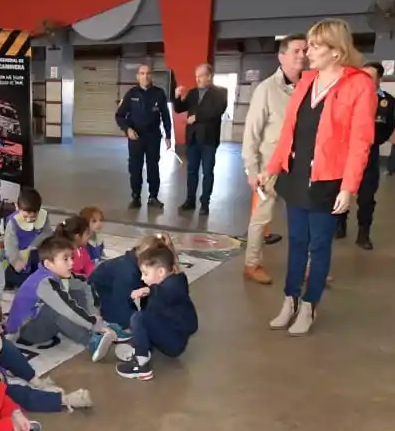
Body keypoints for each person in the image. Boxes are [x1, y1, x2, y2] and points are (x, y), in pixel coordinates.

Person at [260, 19, 377, 336]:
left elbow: (360, 141)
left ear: (336, 51)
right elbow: (289, 132)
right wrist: (271, 167)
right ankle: (290, 300)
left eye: (314, 46)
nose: (306, 51)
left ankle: (310, 304)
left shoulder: (359, 84)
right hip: (295, 175)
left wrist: (349, 187)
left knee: (319, 245)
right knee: (296, 241)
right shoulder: (306, 81)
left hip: (329, 180)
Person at [241, 34, 307, 285]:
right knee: (261, 217)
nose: (302, 55)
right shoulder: (266, 89)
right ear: (281, 56)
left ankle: (307, 265)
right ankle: (251, 264)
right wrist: (252, 169)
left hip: (301, 167)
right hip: (270, 168)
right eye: (296, 51)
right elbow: (252, 133)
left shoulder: (311, 87)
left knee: (303, 218)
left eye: (305, 50)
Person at [0, 299, 92, 412]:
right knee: (15, 394)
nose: (3, 325)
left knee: (9, 350)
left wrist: (31, 378)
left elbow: (9, 354)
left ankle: (34, 379)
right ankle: (63, 400)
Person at [7, 236, 117, 360]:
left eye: (72, 258)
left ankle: (95, 327)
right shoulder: (44, 282)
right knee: (58, 309)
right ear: (48, 264)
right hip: (27, 331)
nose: (71, 263)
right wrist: (93, 324)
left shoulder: (57, 274)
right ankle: (91, 341)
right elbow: (66, 309)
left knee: (77, 291)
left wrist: (95, 315)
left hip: (39, 321)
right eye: (65, 259)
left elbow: (85, 287)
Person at [115, 241, 199, 381]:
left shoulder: (175, 284)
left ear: (161, 272)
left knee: (138, 318)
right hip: (169, 336)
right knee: (142, 319)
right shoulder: (159, 288)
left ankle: (142, 366)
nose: (142, 277)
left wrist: (149, 290)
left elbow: (168, 292)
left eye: (145, 273)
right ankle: (142, 351)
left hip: (175, 342)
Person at [339, 61, 395, 250]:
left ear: (379, 79)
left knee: (366, 196)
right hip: (346, 152)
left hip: (370, 153)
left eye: (370, 76)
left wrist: (369, 140)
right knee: (340, 189)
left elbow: (389, 127)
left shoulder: (387, 101)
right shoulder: (349, 96)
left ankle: (364, 234)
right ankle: (339, 226)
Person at [89, 232, 174, 336]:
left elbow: (148, 293)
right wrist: (129, 325)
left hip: (117, 288)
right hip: (99, 289)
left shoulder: (142, 265)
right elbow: (120, 301)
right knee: (124, 318)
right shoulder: (127, 272)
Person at [173, 63, 229, 215]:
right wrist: (177, 96)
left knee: (207, 172)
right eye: (196, 76)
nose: (197, 79)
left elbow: (217, 110)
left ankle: (205, 203)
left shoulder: (221, 93)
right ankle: (190, 201)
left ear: (209, 76)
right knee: (191, 171)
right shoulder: (192, 93)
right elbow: (179, 109)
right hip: (192, 139)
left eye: (200, 76)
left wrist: (196, 117)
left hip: (209, 140)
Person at [114, 63, 172, 209]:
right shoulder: (131, 94)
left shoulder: (159, 93)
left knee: (153, 167)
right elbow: (119, 115)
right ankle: (136, 197)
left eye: (148, 73)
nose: (145, 76)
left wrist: (168, 135)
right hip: (136, 138)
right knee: (135, 168)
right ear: (138, 76)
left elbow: (165, 115)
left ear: (151, 76)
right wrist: (127, 129)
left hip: (153, 137)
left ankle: (153, 197)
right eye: (142, 73)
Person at [1, 188, 51, 290]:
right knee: (18, 275)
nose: (29, 220)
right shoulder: (13, 223)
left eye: (33, 217)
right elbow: (10, 245)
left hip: (36, 251)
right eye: (25, 217)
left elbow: (47, 233)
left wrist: (34, 244)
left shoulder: (44, 216)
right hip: (18, 253)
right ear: (17, 207)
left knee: (41, 272)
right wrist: (15, 261)